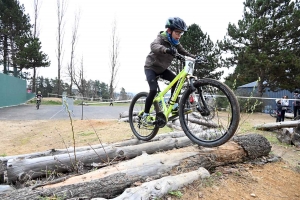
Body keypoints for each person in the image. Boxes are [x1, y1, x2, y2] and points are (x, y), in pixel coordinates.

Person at [141, 17, 196, 127]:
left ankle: (174, 106)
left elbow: (185, 52)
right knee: (152, 90)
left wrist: (196, 57)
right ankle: (145, 115)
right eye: (177, 32)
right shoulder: (161, 38)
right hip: (151, 68)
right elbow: (153, 46)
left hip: (162, 69)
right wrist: (165, 49)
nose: (179, 35)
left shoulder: (175, 43)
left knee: (176, 80)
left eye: (181, 33)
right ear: (169, 31)